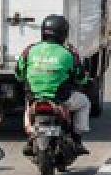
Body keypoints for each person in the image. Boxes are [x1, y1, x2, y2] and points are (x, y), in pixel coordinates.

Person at [17, 13, 91, 156]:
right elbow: (81, 78)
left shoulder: (29, 50)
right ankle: (77, 139)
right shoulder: (69, 53)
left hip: (35, 99)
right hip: (60, 99)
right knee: (84, 103)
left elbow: (19, 74)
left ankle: (31, 137)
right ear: (64, 33)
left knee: (28, 105)